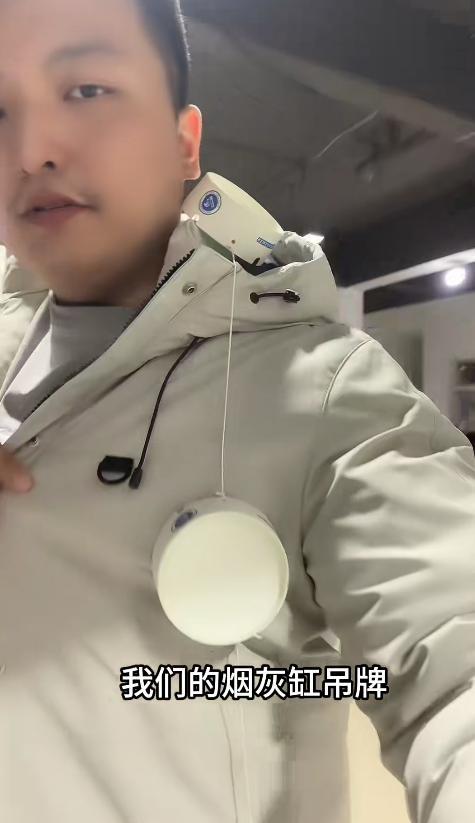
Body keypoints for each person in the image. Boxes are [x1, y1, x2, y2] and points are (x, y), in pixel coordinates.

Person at [0, 1, 474, 822]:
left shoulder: (325, 392)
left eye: (86, 89)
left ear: (185, 142)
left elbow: (452, 664)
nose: (32, 147)